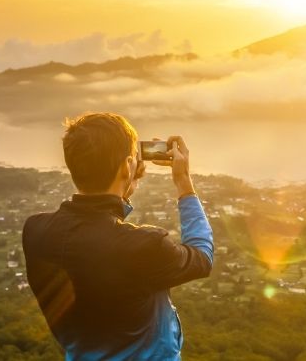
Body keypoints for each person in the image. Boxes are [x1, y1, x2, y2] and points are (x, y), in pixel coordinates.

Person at [22, 112, 213, 360]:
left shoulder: (36, 232)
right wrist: (183, 181)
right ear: (126, 167)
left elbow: (95, 246)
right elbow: (202, 257)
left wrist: (123, 182)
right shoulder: (145, 246)